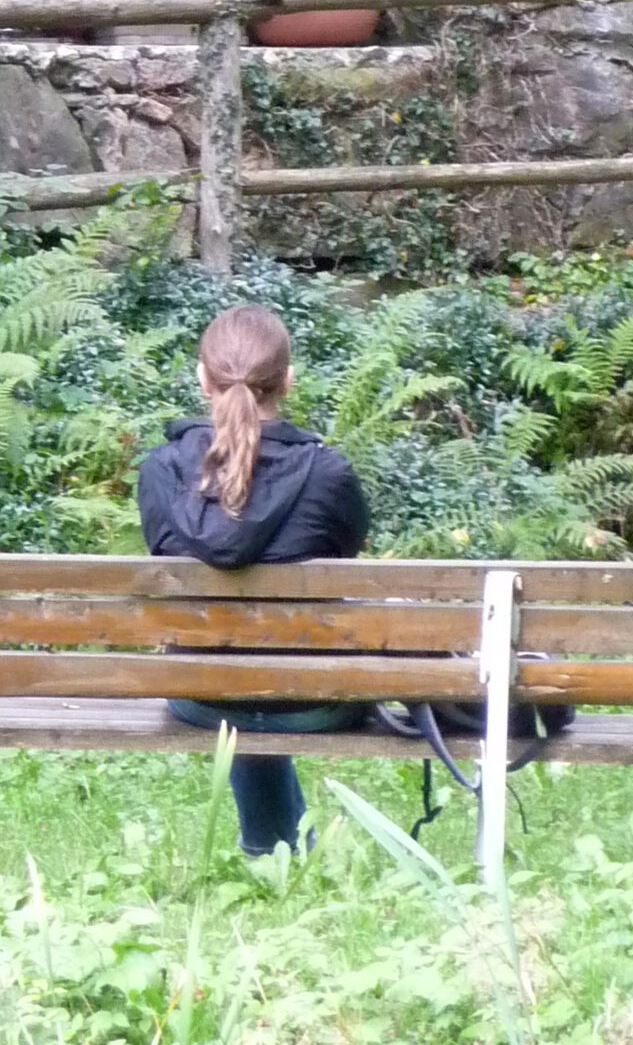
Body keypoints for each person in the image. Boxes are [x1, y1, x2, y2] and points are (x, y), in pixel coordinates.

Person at [137, 304, 368, 857]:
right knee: (270, 671)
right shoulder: (329, 474)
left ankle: (273, 848)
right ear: (287, 381)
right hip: (313, 699)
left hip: (201, 695)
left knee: (235, 672)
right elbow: (348, 549)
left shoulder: (161, 470)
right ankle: (280, 849)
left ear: (203, 380)